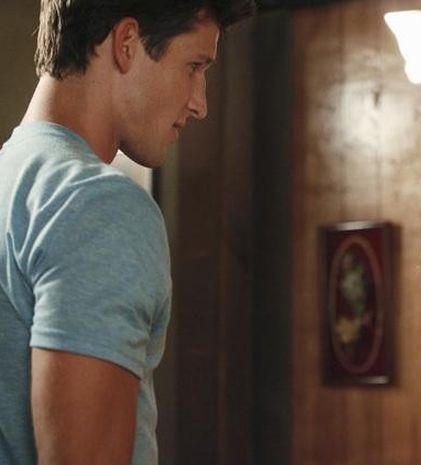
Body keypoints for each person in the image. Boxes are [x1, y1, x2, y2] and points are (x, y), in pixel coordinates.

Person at [0, 1, 253, 464]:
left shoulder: (11, 183)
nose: (199, 104)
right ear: (128, 43)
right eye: (194, 66)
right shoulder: (97, 206)